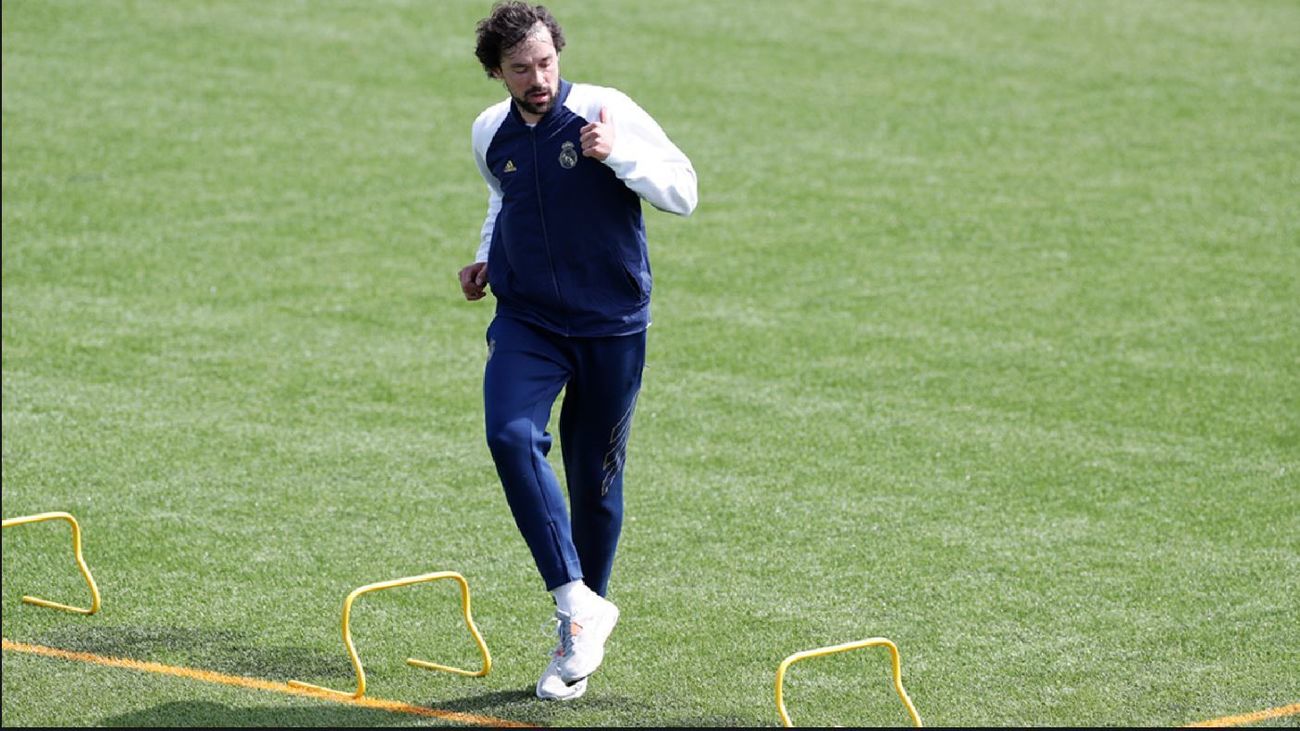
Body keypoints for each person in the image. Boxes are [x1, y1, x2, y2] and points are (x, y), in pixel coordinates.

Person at [459, 1, 697, 702]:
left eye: (546, 62)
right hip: (528, 319)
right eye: (520, 68)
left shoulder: (604, 109)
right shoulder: (487, 131)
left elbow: (683, 192)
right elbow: (505, 198)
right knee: (508, 434)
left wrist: (615, 153)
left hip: (611, 325)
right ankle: (574, 601)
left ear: (558, 54)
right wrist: (484, 258)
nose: (537, 78)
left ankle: (578, 644)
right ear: (496, 71)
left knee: (595, 483)